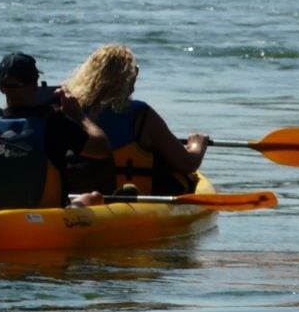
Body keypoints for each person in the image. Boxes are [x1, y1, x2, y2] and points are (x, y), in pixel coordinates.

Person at [0, 52, 112, 212]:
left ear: (0, 87)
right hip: (45, 219)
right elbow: (102, 149)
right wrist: (78, 114)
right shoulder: (54, 123)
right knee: (94, 197)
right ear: (35, 85)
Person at [65, 44, 209, 197]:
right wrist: (197, 145)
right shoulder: (141, 115)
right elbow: (187, 164)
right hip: (137, 204)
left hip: (80, 199)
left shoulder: (69, 111)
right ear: (128, 80)